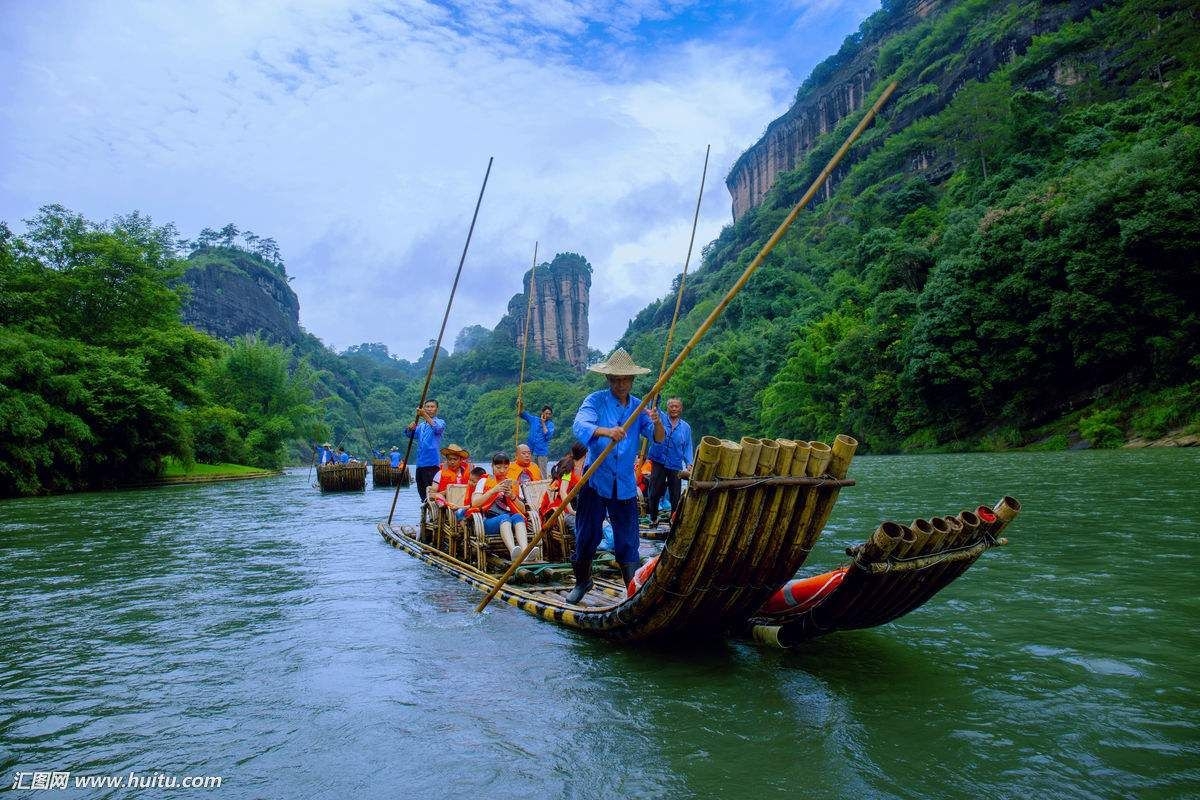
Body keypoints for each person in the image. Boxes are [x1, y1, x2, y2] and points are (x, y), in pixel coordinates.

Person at [567, 348, 664, 603]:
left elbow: (658, 438)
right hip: (596, 479)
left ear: (632, 380)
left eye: (626, 380)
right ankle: (583, 581)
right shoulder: (595, 401)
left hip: (624, 484)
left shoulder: (639, 407)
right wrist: (606, 431)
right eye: (616, 379)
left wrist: (656, 421)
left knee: (627, 539)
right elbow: (580, 425)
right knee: (588, 535)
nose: (621, 384)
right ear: (608, 379)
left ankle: (632, 591)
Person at [472, 452, 542, 563]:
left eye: (505, 467)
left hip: (509, 517)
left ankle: (525, 551)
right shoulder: (484, 481)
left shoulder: (513, 483)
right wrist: (493, 491)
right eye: (498, 467)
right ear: (492, 466)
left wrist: (512, 496)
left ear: (508, 467)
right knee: (505, 517)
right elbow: (475, 503)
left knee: (518, 517)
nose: (502, 470)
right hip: (489, 520)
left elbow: (523, 509)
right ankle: (512, 550)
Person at [645, 397, 695, 527]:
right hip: (658, 461)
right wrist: (657, 393)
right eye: (671, 406)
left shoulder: (685, 427)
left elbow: (687, 447)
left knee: (675, 494)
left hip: (675, 463)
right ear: (667, 408)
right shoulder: (660, 417)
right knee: (654, 491)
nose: (674, 409)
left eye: (676, 406)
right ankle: (653, 518)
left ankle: (673, 518)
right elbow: (653, 405)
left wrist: (689, 463)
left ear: (681, 409)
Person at [404, 399, 446, 503]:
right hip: (420, 464)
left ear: (437, 409)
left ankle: (435, 515)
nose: (429, 409)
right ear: (424, 408)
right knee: (422, 493)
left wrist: (424, 415)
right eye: (427, 407)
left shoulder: (440, 422)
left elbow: (438, 429)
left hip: (432, 464)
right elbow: (410, 435)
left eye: (432, 407)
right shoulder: (422, 426)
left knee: (432, 493)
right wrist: (410, 428)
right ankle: (426, 514)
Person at [517, 400, 555, 475]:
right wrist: (520, 405)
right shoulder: (534, 420)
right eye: (546, 413)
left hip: (542, 452)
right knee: (530, 471)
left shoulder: (550, 425)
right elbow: (522, 414)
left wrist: (543, 423)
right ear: (542, 413)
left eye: (549, 414)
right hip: (530, 451)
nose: (547, 415)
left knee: (542, 472)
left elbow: (548, 436)